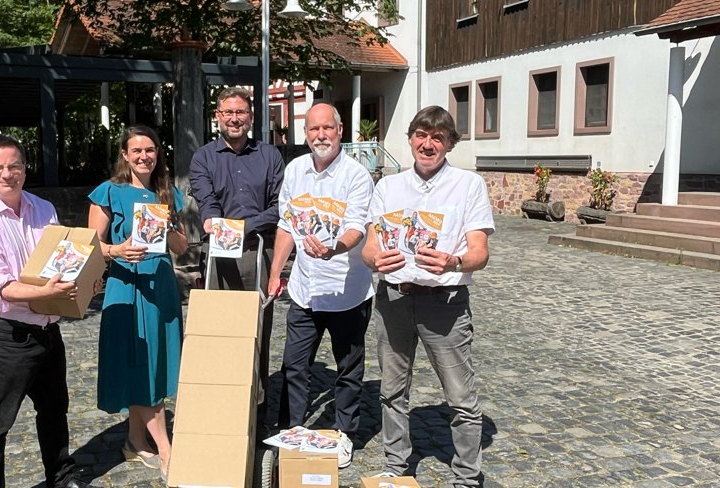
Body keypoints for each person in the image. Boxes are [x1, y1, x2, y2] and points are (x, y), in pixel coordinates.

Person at [361, 106, 494, 485]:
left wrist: (454, 261)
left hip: (444, 303)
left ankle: (467, 477)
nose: (428, 143)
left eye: (438, 137)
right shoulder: (389, 187)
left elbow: (480, 252)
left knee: (460, 396)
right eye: (421, 134)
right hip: (394, 298)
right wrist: (375, 259)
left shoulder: (468, 185)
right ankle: (396, 465)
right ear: (410, 139)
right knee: (391, 389)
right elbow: (369, 248)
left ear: (450, 143)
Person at [0, 134, 89, 488]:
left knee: (54, 411)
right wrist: (46, 291)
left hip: (47, 327)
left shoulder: (43, 209)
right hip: (4, 333)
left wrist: (84, 277)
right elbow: (0, 286)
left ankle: (61, 478)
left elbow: (62, 258)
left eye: (14, 166)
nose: (6, 174)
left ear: (25, 169)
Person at [267, 103, 375, 469]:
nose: (320, 136)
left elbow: (357, 226)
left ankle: (344, 432)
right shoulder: (295, 170)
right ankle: (294, 431)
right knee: (294, 365)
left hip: (348, 291)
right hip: (304, 290)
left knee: (348, 367)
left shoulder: (357, 175)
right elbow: (286, 225)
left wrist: (333, 248)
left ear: (340, 131)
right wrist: (275, 272)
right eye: (313, 130)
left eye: (327, 128)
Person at [87, 125, 187, 479]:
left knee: (152, 364)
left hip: (160, 287)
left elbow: (181, 248)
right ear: (125, 155)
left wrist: (171, 223)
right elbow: (90, 246)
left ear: (158, 153)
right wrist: (117, 250)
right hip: (126, 286)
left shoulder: (167, 192)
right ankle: (166, 449)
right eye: (137, 150)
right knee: (139, 364)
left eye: (151, 150)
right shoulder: (109, 192)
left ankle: (134, 441)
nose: (145, 156)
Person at [189, 86, 284, 439]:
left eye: (240, 112)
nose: (234, 118)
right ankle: (219, 407)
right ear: (217, 116)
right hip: (219, 256)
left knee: (257, 334)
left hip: (259, 252)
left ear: (251, 117)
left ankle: (256, 416)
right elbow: (206, 199)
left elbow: (279, 206)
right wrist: (217, 222)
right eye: (227, 112)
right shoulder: (203, 157)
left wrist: (245, 226)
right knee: (218, 334)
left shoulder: (270, 155)